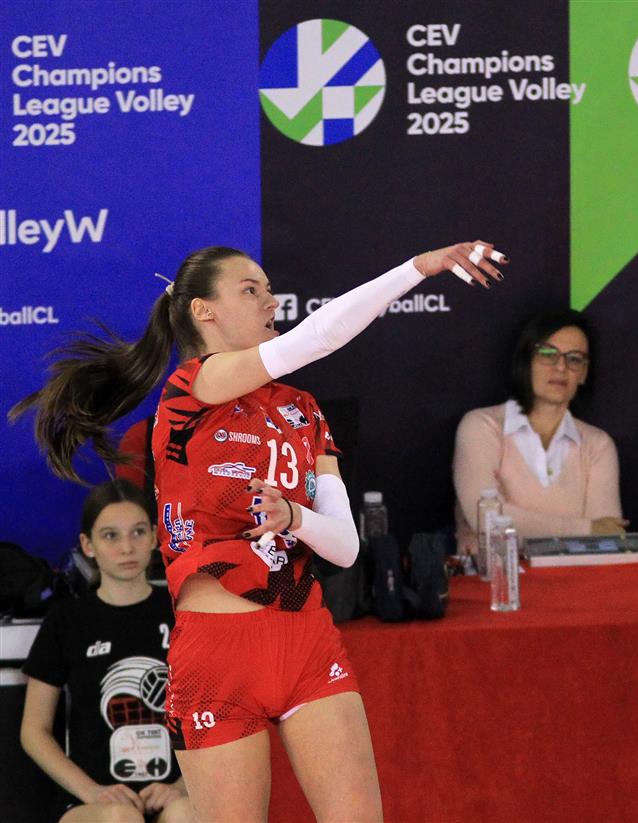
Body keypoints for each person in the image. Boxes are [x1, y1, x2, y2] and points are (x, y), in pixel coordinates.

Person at [12, 241, 507, 822]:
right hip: (218, 652)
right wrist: (416, 269)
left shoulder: (303, 409)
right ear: (204, 311)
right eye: (251, 290)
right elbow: (317, 336)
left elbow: (346, 547)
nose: (271, 302)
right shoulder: (191, 389)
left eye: (270, 290)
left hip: (306, 641)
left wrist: (296, 518)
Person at [21, 480, 195, 823]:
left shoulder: (183, 613)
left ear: (155, 536)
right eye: (111, 536)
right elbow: (33, 731)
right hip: (94, 802)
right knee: (120, 818)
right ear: (88, 545)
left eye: (138, 532)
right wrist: (92, 792)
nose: (127, 547)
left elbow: (218, 714)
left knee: (185, 813)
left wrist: (183, 785)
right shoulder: (66, 620)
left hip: (174, 793)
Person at [453, 308, 625, 550]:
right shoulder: (481, 426)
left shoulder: (597, 445)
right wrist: (584, 529)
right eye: (547, 354)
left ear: (584, 373)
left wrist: (593, 532)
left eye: (574, 359)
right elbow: (487, 520)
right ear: (526, 361)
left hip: (575, 574)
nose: (561, 367)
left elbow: (606, 539)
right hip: (492, 573)